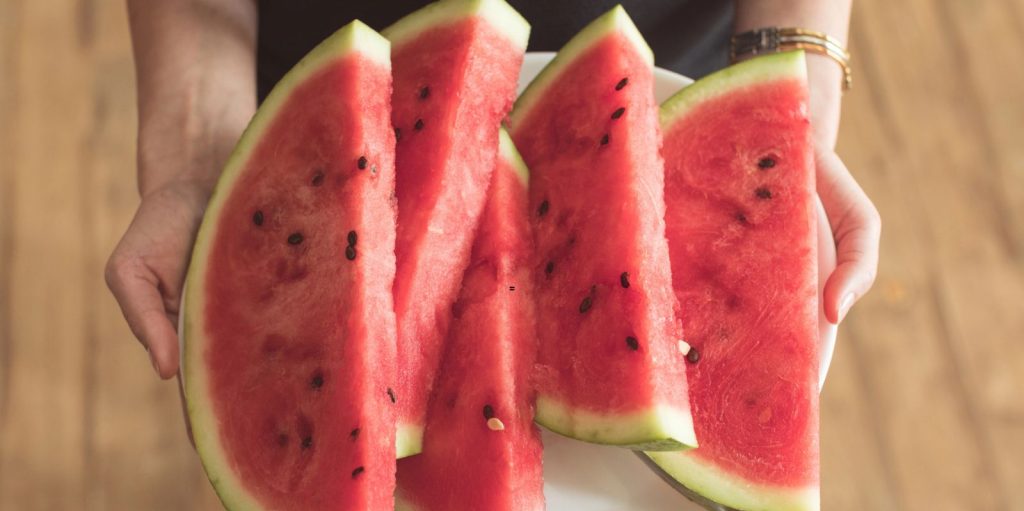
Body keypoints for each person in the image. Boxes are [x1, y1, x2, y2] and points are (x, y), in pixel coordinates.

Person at [107, 0, 880, 381]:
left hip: (661, 60)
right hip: (331, 81)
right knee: (328, 403)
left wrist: (790, 96)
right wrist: (200, 155)